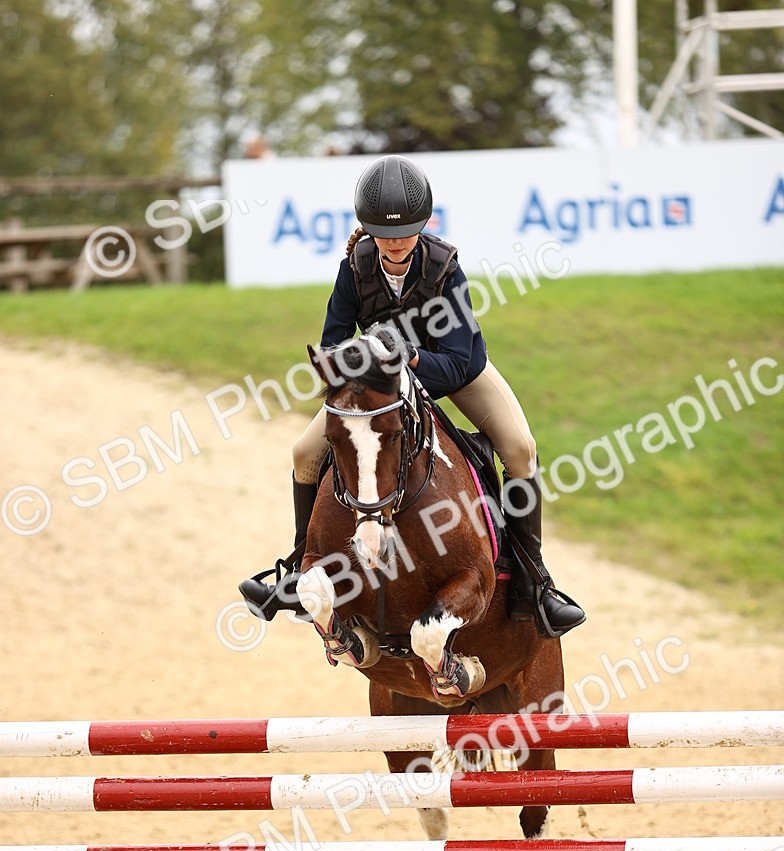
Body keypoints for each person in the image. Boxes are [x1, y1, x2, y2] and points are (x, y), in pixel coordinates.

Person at [240, 155, 585, 637]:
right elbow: (333, 341)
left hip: (454, 373)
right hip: (381, 384)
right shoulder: (354, 269)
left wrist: (410, 357)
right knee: (303, 452)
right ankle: (299, 569)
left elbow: (459, 362)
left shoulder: (445, 270)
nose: (396, 241)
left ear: (424, 224)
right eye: (384, 233)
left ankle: (535, 583)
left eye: (405, 231)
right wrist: (363, 361)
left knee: (520, 448)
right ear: (367, 228)